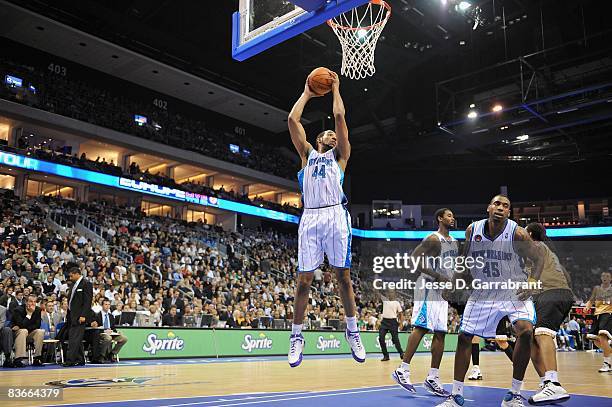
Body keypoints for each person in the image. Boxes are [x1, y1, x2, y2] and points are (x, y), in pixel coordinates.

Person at [287, 71, 364, 367]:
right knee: (304, 280)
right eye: (328, 134)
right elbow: (292, 122)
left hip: (335, 214)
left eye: (335, 135)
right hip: (310, 217)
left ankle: (352, 330)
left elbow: (340, 117)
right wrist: (307, 93)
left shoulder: (340, 156)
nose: (333, 135)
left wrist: (335, 89)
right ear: (318, 138)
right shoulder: (307, 155)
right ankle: (296, 337)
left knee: (343, 277)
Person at [437, 194, 543, 407]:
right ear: (488, 208)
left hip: (512, 288)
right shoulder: (472, 230)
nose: (501, 208)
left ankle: (514, 394)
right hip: (483, 290)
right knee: (465, 337)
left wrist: (532, 281)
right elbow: (465, 261)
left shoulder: (518, 233)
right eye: (497, 204)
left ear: (509, 212)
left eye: (505, 206)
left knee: (525, 330)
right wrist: (454, 283)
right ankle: (455, 395)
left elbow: (539, 258)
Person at [393, 208, 457, 397]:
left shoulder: (453, 242)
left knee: (441, 333)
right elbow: (414, 258)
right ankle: (402, 369)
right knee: (421, 327)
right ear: (439, 218)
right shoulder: (433, 238)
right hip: (428, 286)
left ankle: (433, 377)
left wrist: (451, 284)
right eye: (448, 215)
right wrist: (437, 276)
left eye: (453, 216)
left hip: (441, 290)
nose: (452, 218)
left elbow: (451, 268)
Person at [519, 222, 574, 405]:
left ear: (530, 234)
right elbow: (567, 276)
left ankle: (553, 383)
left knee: (542, 333)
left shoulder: (535, 246)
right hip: (559, 293)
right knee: (532, 340)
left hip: (551, 293)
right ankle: (545, 383)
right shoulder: (550, 253)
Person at [61, 267, 93, 367]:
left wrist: (83, 315)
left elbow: (87, 301)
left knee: (74, 339)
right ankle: (80, 359)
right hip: (71, 316)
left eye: (71, 276)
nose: (70, 278)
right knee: (75, 338)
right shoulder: (74, 284)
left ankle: (70, 360)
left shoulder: (86, 283)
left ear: (77, 274)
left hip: (80, 316)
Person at [584, 270, 612, 373]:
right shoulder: (597, 288)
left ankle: (607, 363)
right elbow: (591, 299)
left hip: (608, 313)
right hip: (597, 314)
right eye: (603, 276)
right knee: (595, 340)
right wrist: (587, 306)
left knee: (602, 336)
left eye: (607, 276)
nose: (605, 277)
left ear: (611, 278)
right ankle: (609, 352)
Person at [11, 295, 45, 367]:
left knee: (40, 331)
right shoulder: (18, 310)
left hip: (29, 333)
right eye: (31, 301)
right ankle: (18, 359)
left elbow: (37, 325)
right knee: (23, 331)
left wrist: (25, 327)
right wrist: (29, 314)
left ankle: (37, 358)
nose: (33, 304)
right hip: (17, 334)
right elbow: (21, 325)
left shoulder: (38, 310)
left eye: (34, 302)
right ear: (26, 302)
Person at [378, 291, 403, 362]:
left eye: (392, 293)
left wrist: (401, 324)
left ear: (394, 294)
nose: (390, 294)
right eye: (389, 293)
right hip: (384, 322)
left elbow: (401, 314)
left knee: (395, 339)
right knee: (381, 338)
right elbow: (377, 293)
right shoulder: (385, 300)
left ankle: (401, 353)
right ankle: (386, 356)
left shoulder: (397, 303)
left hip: (393, 322)